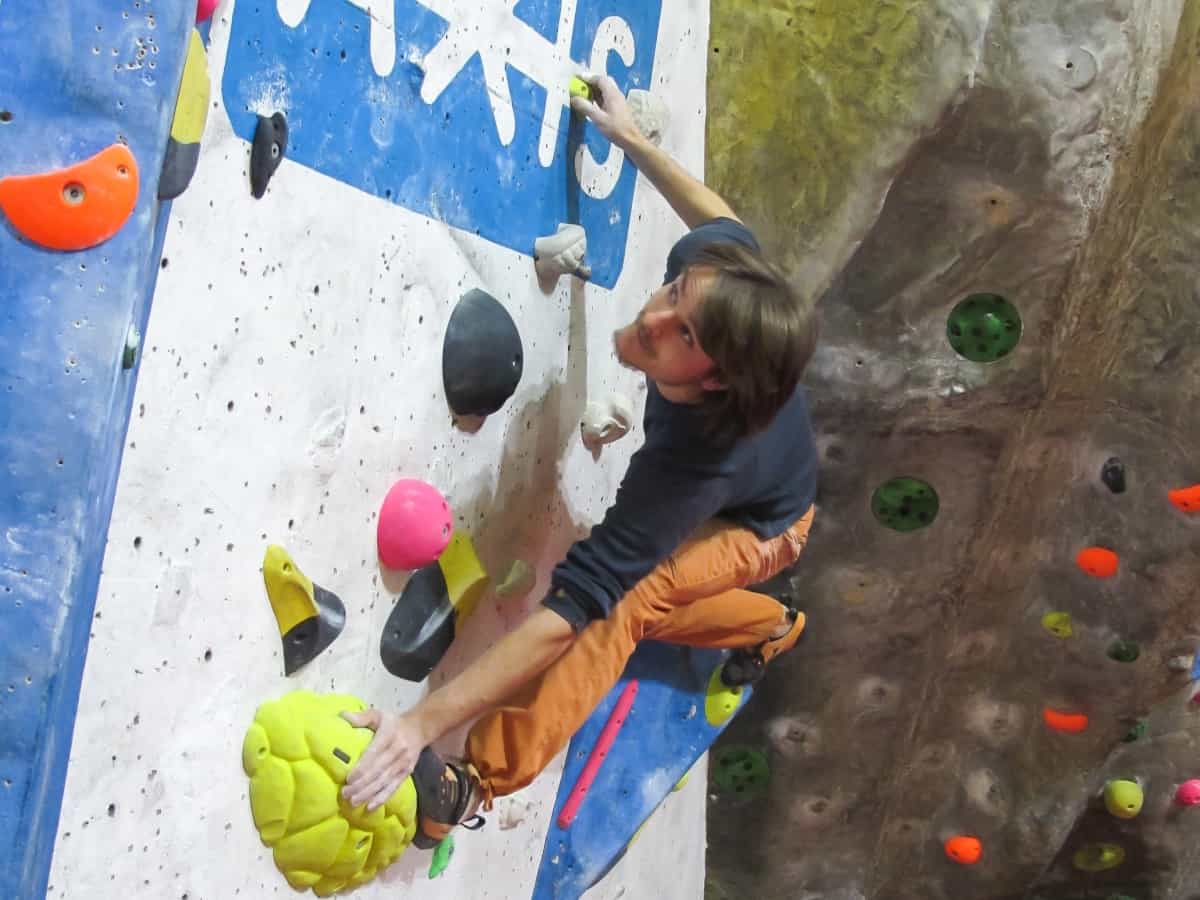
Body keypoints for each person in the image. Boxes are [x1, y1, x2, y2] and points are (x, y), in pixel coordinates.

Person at [341, 73, 820, 847]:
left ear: (717, 377)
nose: (650, 319)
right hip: (752, 487)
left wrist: (422, 722)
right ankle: (771, 623)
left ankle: (474, 781)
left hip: (764, 526)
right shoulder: (731, 291)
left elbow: (575, 611)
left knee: (629, 604)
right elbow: (724, 222)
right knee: (647, 589)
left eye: (682, 336)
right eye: (672, 290)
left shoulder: (693, 468)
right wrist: (634, 142)